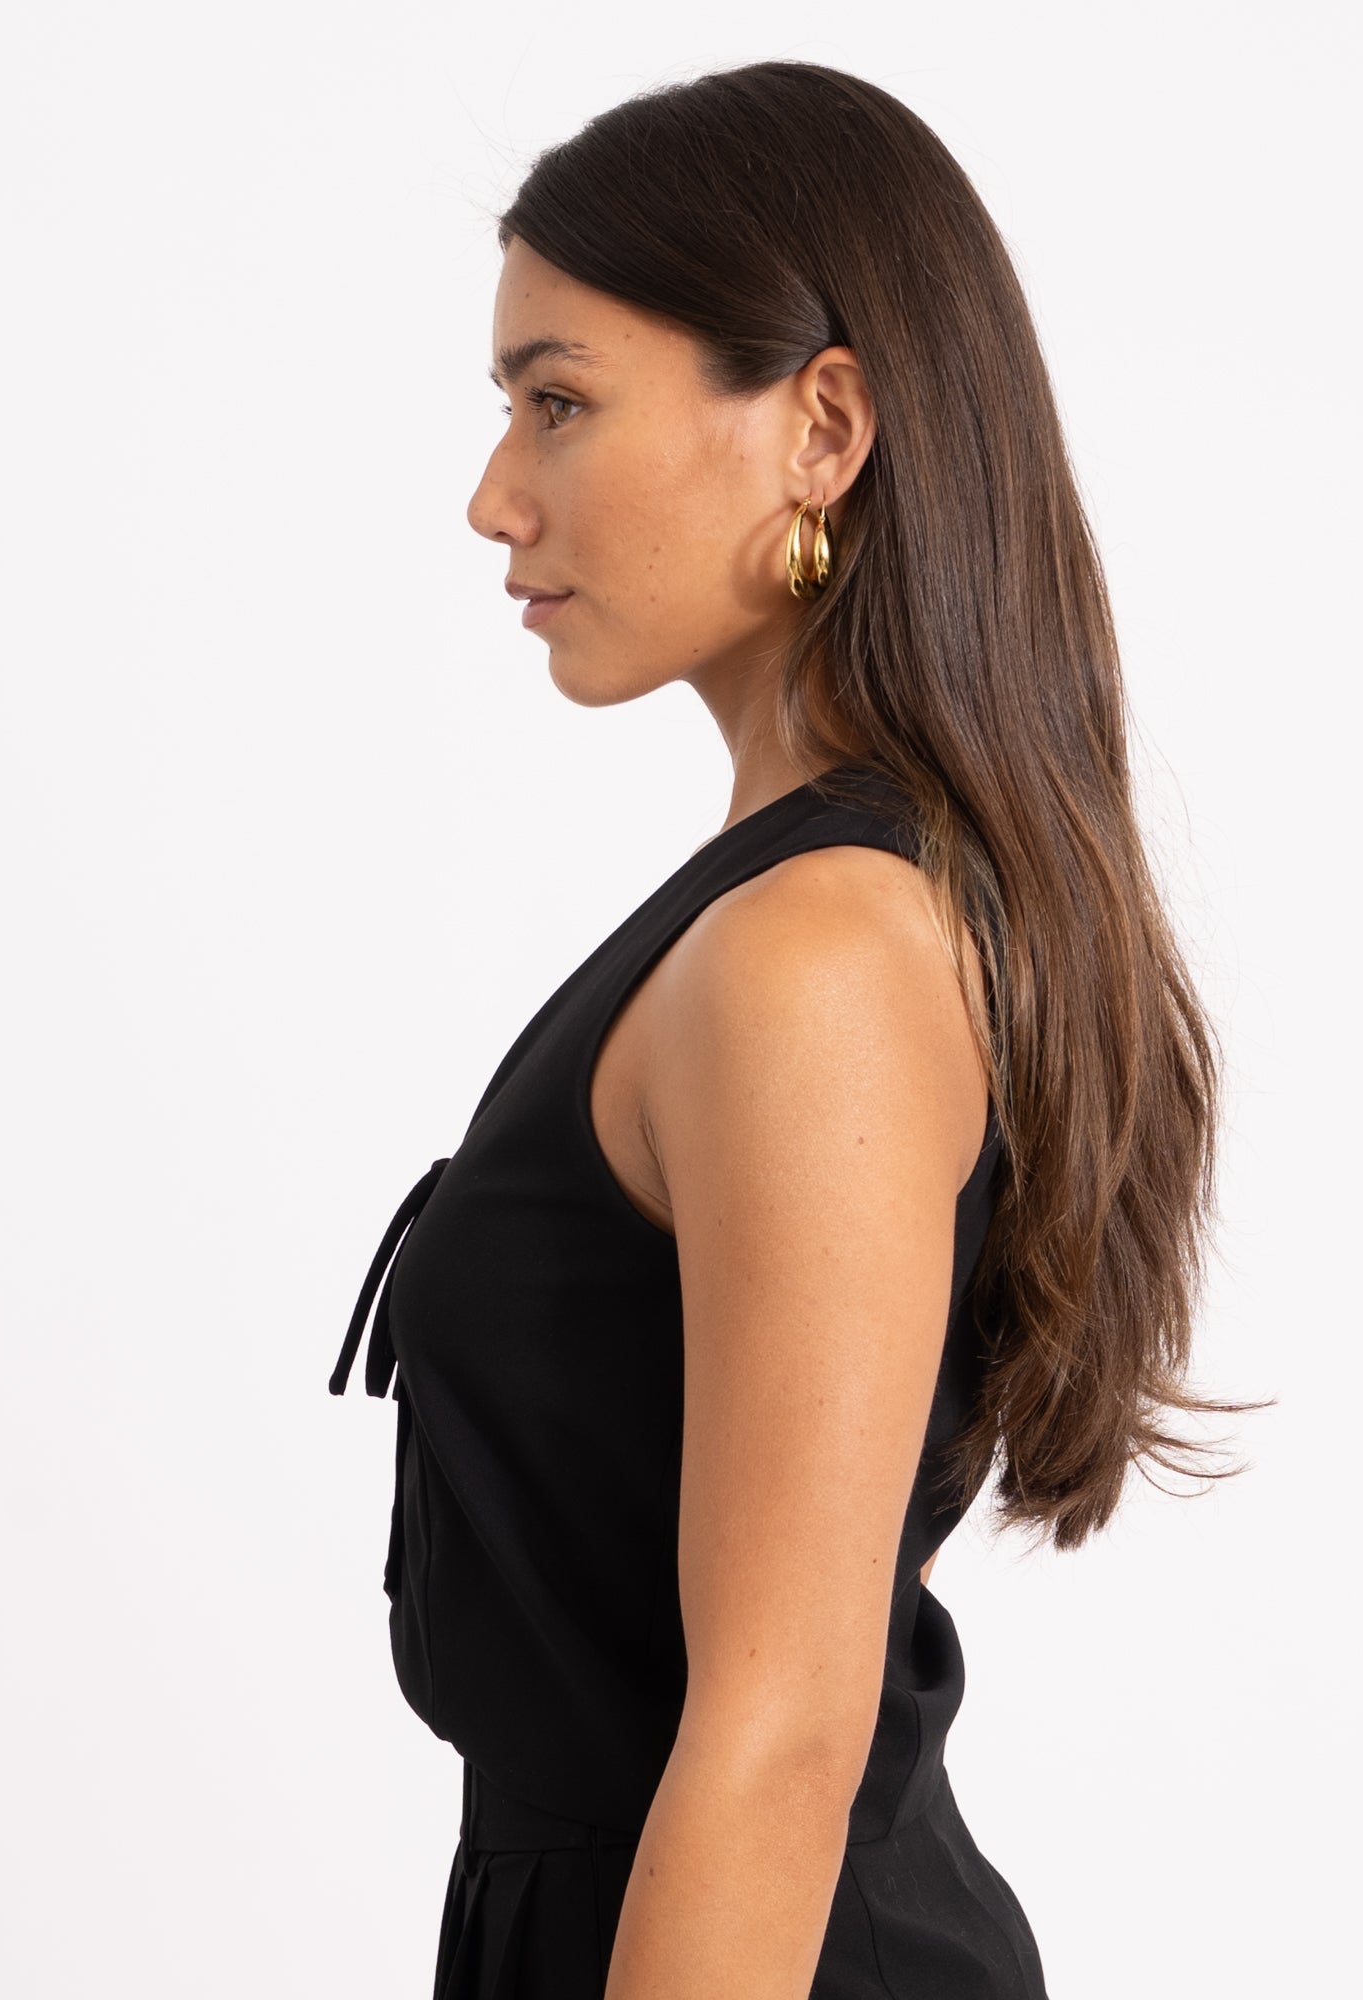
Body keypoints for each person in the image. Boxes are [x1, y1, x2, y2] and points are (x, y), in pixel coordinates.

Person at [329, 57, 1251, 2000]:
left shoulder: (812, 954)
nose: (494, 495)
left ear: (820, 426)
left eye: (557, 400)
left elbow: (772, 1746)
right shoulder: (802, 914)